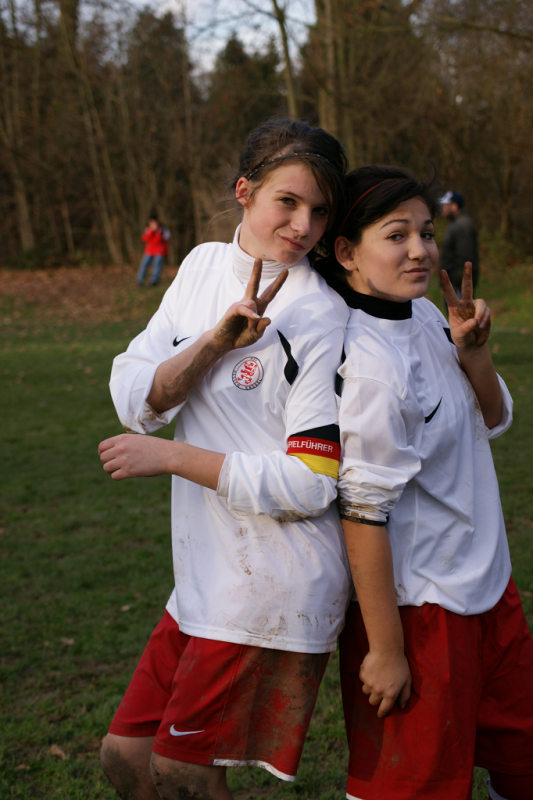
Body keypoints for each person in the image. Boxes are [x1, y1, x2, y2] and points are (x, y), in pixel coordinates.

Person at [97, 119, 353, 800]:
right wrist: (214, 344)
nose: (303, 226)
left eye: (320, 211)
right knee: (127, 758)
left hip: (271, 580)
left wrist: (173, 456)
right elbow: (136, 393)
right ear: (244, 191)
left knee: (182, 774)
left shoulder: (318, 315)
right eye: (288, 202)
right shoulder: (202, 266)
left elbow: (311, 483)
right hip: (204, 574)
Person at [319, 165, 533, 800]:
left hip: (489, 587)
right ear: (347, 253)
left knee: (522, 763)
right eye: (396, 235)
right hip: (420, 610)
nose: (419, 249)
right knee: (415, 788)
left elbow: (491, 419)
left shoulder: (427, 316)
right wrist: (386, 650)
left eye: (426, 232)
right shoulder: (369, 365)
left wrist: (473, 350)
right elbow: (362, 512)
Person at [440, 189, 479, 296]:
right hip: (453, 283)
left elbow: (465, 258)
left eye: (445, 205)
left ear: (454, 206)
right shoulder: (455, 224)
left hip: (458, 285)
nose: (443, 208)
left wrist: (455, 283)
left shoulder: (462, 226)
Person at [137, 214, 171, 287]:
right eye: (151, 222)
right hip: (149, 251)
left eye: (153, 222)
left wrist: (155, 234)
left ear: (157, 222)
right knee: (144, 264)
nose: (152, 224)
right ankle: (140, 280)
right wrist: (152, 231)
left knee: (157, 265)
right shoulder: (148, 229)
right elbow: (145, 238)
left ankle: (154, 281)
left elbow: (159, 240)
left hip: (160, 251)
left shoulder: (163, 230)